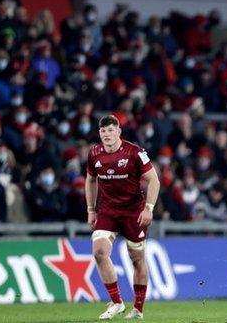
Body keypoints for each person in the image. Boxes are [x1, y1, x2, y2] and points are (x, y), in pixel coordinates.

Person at [85, 115, 160, 320]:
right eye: (103, 131)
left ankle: (137, 309)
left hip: (133, 213)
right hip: (108, 211)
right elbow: (90, 180)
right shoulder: (94, 153)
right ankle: (117, 302)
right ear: (99, 133)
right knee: (99, 252)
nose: (107, 135)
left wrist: (149, 208)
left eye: (111, 130)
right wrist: (91, 209)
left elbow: (154, 180)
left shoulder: (135, 152)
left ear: (118, 131)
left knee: (137, 259)